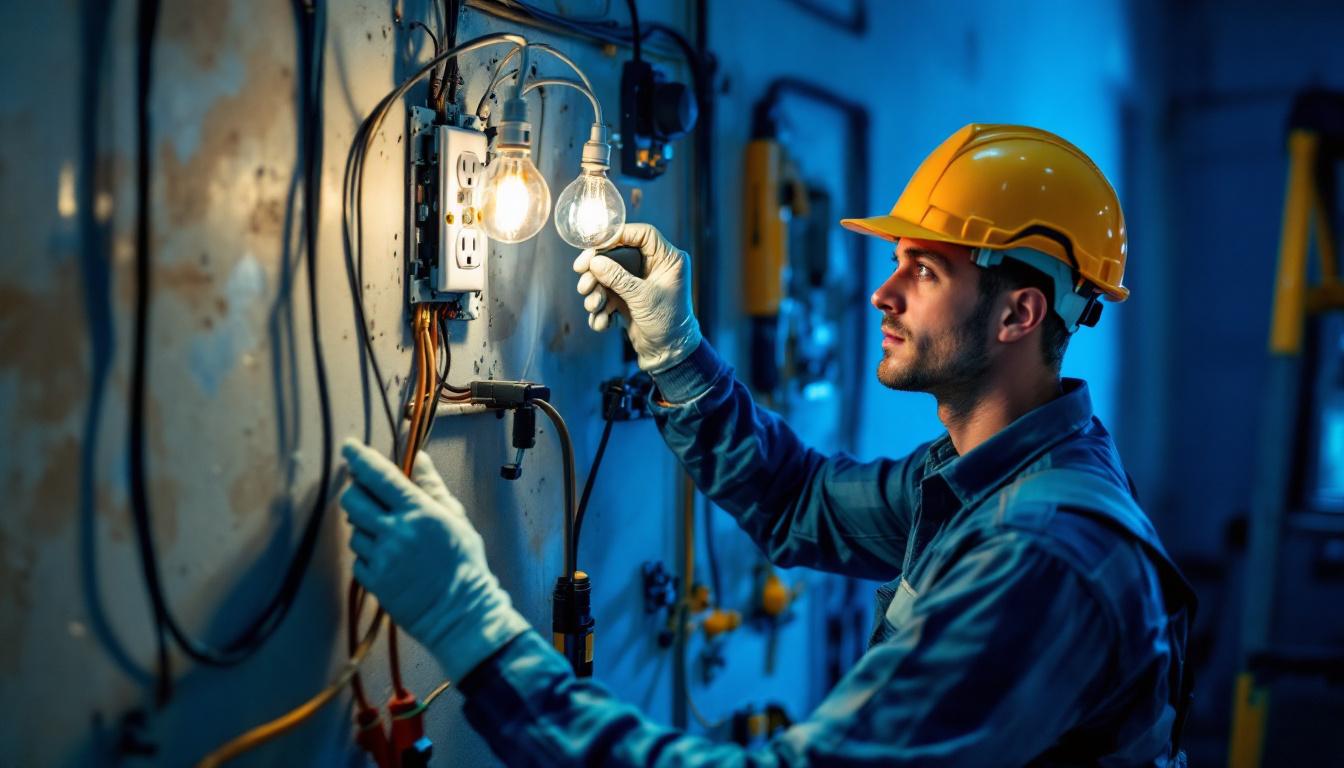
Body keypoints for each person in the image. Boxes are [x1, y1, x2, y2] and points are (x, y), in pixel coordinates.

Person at [340, 124, 1197, 766]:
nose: (883, 294)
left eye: (924, 270)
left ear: (1019, 313)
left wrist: (475, 632)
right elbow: (800, 501)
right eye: (895, 261)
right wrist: (677, 356)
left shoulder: (1039, 552)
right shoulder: (990, 480)